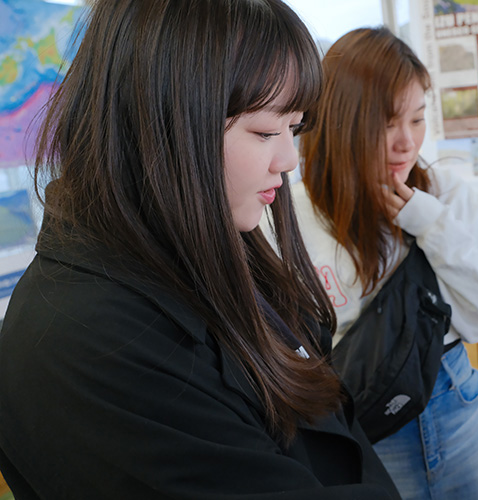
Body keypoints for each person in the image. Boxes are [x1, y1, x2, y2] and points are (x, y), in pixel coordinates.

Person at [0, 1, 399, 498]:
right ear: (160, 123)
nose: (288, 159)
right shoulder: (86, 344)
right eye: (266, 132)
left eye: (294, 128)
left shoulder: (208, 244)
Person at [295, 27, 478, 500]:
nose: (407, 142)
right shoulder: (295, 214)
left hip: (452, 397)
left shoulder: (446, 195)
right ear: (341, 122)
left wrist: (431, 223)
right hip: (363, 419)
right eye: (386, 123)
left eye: (418, 119)